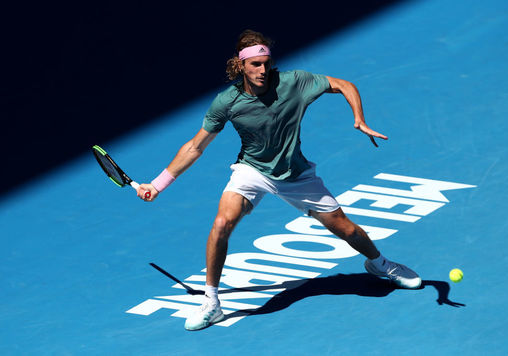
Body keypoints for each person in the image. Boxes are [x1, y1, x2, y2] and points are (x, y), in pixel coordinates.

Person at [137, 30, 421, 331]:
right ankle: (212, 302)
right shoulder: (227, 102)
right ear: (240, 66)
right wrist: (157, 184)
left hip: (295, 175)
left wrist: (359, 118)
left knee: (346, 229)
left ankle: (379, 264)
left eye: (266, 63)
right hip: (252, 171)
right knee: (222, 224)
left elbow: (342, 84)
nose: (263, 70)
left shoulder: (293, 82)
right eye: (255, 64)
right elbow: (195, 147)